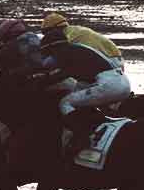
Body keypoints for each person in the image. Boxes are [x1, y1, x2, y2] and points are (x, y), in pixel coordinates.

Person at [38, 12, 131, 142]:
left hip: (108, 81)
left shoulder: (66, 44)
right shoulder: (77, 36)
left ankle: (81, 134)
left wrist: (39, 80)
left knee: (66, 102)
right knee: (79, 91)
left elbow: (62, 73)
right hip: (116, 68)